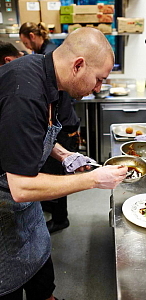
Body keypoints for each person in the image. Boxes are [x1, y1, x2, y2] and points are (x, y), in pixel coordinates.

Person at [0, 27, 128, 300]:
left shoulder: (48, 75)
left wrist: (63, 155)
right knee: (8, 282)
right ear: (78, 65)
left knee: (39, 266)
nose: (98, 88)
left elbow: (35, 134)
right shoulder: (24, 93)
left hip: (25, 213)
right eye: (98, 79)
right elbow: (20, 187)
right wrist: (94, 179)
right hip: (4, 208)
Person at [19, 21, 81, 233]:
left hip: (63, 129)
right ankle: (49, 204)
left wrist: (91, 179)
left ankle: (60, 218)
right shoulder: (42, 59)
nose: (26, 45)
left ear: (32, 36)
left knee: (56, 177)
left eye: (25, 41)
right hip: (62, 126)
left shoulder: (51, 58)